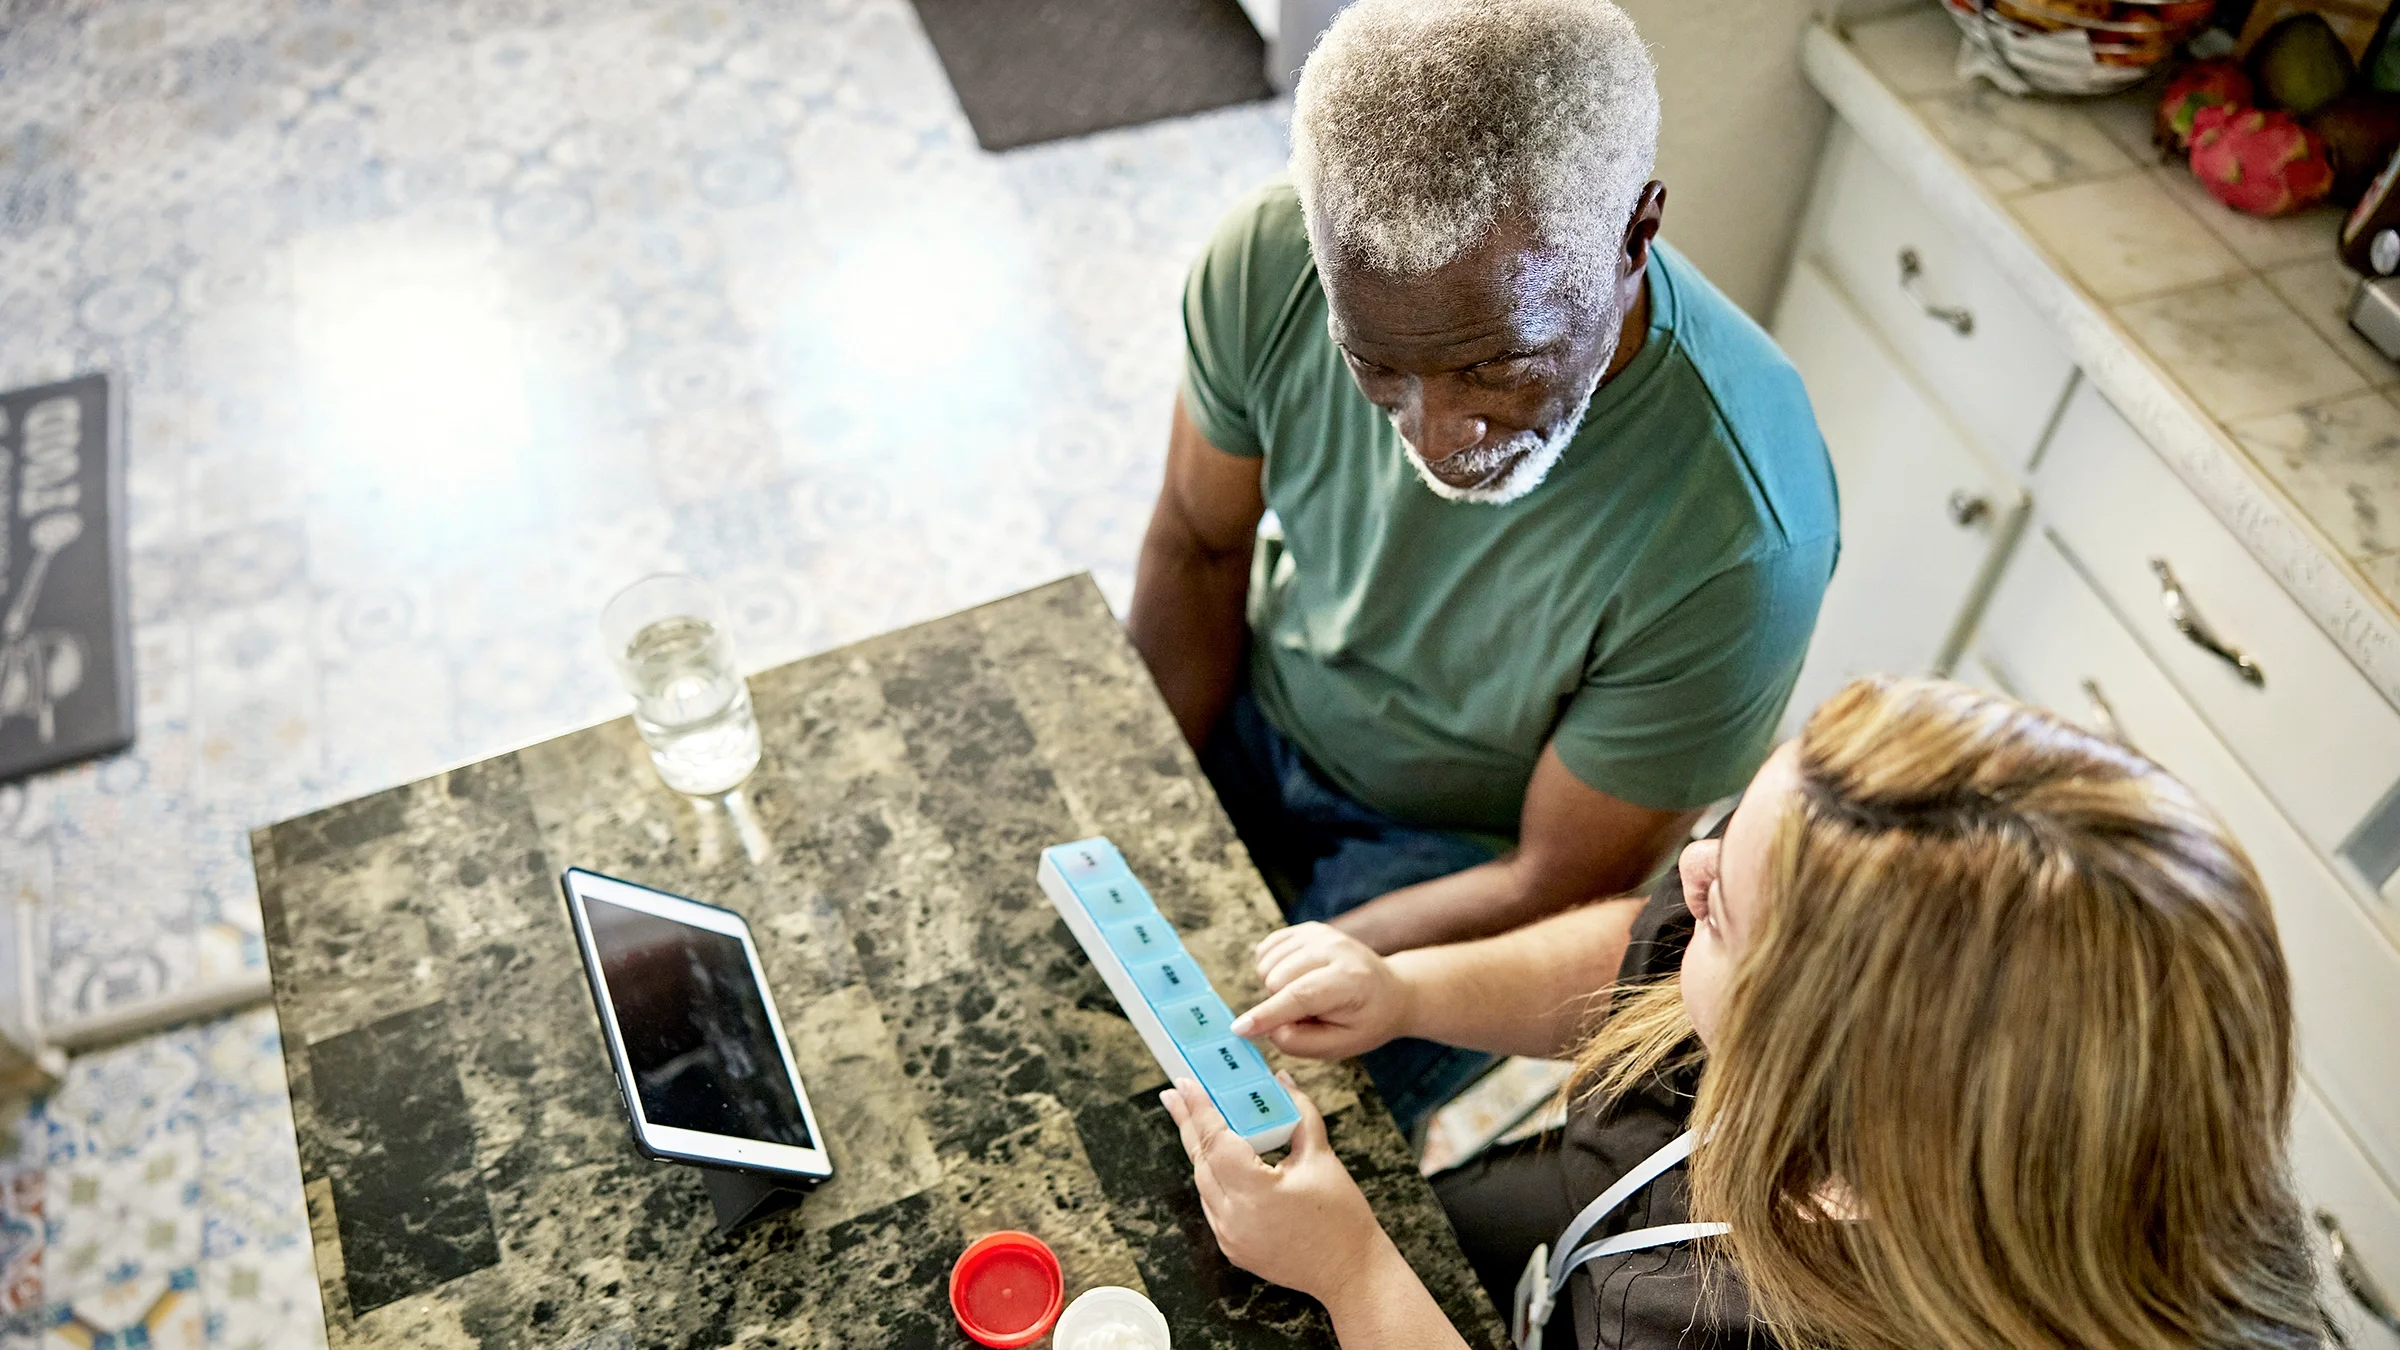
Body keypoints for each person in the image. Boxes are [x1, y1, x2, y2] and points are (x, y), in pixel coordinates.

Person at [1125, 0, 1839, 1133]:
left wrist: (1306, 975)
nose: (1440, 433)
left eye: (1499, 362)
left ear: (1636, 233)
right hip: (1268, 700)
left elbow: (1554, 881)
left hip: (1468, 851)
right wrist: (1139, 797)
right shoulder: (1269, 259)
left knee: (1251, 1132)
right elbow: (1199, 546)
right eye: (1380, 368)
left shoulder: (1743, 530)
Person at [1161, 676, 2324, 1350]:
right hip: (1578, 1244)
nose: (1693, 864)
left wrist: (1360, 1276)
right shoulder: (1875, 1059)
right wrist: (1414, 991)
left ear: (1832, 1082)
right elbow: (1640, 951)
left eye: (1728, 913)